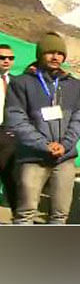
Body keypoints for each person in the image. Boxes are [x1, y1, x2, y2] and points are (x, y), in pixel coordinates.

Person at [5, 32, 80, 224]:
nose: (55, 57)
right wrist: (44, 145)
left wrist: (65, 144)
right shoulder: (21, 83)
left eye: (60, 53)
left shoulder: (73, 85)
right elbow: (16, 118)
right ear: (40, 54)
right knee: (26, 212)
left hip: (64, 158)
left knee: (60, 214)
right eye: (50, 52)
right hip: (33, 156)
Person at [0, 44, 17, 214]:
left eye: (10, 58)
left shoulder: (16, 82)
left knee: (12, 178)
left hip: (10, 134)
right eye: (2, 57)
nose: (6, 61)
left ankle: (18, 220)